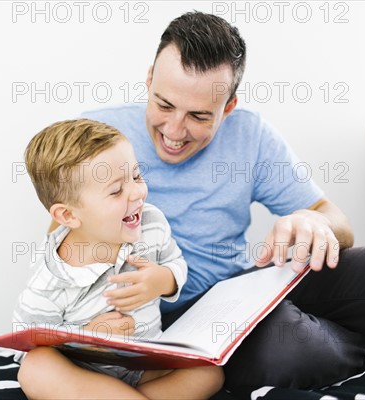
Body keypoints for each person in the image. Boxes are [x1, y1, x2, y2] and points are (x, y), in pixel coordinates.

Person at [80, 11, 365, 389]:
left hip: (242, 289)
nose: (174, 131)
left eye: (199, 116)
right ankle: (357, 332)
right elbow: (62, 243)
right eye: (165, 105)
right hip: (170, 324)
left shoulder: (250, 134)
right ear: (149, 79)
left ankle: (329, 319)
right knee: (294, 350)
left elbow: (337, 221)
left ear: (229, 107)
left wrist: (312, 221)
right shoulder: (97, 138)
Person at [14, 119, 224, 399]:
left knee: (210, 372)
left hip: (144, 365)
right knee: (35, 367)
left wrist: (163, 280)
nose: (137, 192)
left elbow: (176, 263)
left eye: (136, 176)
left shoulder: (151, 223)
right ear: (68, 216)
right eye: (116, 191)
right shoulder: (51, 278)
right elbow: (27, 341)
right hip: (85, 373)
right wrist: (87, 334)